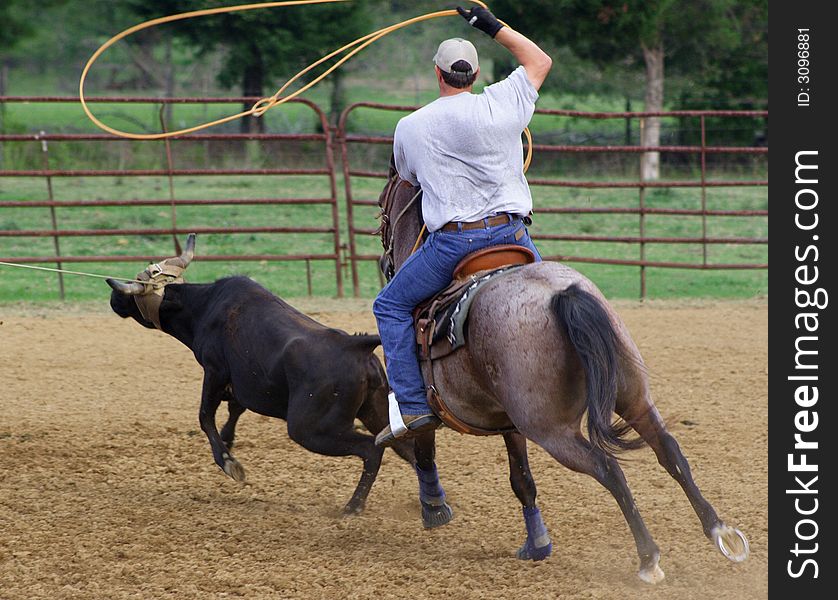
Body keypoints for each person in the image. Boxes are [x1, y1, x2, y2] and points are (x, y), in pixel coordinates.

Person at [373, 5, 552, 447]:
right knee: (555, 303)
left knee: (390, 307)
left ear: (439, 74)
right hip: (514, 235)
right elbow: (540, 61)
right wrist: (488, 24)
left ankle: (414, 406)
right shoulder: (504, 100)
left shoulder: (410, 127)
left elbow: (407, 180)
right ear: (474, 75)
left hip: (455, 244)